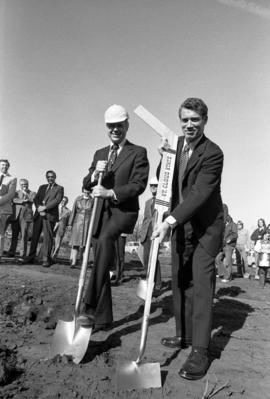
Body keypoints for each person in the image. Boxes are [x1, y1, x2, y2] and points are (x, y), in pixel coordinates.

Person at [152, 98, 224, 380]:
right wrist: (164, 158)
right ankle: (183, 335)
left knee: (202, 285)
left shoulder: (213, 153)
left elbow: (199, 194)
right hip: (183, 226)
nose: (189, 125)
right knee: (181, 282)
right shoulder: (177, 146)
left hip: (206, 228)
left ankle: (199, 350)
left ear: (205, 120)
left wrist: (170, 221)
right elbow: (165, 179)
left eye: (195, 119)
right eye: (185, 120)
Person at [78, 104, 149, 332]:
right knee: (101, 257)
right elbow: (86, 184)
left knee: (107, 241)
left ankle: (88, 307)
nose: (115, 130)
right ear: (106, 128)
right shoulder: (99, 153)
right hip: (101, 214)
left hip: (123, 212)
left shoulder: (138, 152)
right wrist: (93, 174)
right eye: (111, 126)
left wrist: (110, 193)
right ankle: (104, 318)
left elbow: (138, 185)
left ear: (127, 125)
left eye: (119, 125)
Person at [19, 170, 64, 267]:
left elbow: (57, 200)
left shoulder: (59, 188)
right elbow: (36, 199)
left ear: (55, 177)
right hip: (39, 215)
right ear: (46, 177)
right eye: (48, 177)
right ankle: (30, 257)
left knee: (48, 238)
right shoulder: (42, 187)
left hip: (49, 216)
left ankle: (46, 259)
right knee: (35, 237)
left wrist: (45, 208)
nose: (50, 178)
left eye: (52, 177)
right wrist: (40, 208)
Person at [140, 176, 162, 291]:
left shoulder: (163, 202)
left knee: (154, 259)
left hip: (156, 233)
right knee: (146, 259)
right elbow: (145, 219)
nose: (153, 187)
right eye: (151, 185)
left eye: (156, 185)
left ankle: (157, 284)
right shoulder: (148, 202)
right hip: (146, 234)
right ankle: (150, 282)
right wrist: (141, 234)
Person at [6, 178, 36, 258]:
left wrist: (25, 194)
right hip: (16, 216)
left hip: (26, 216)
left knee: (24, 235)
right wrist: (23, 200)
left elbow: (32, 200)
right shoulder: (16, 192)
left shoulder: (32, 193)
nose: (24, 186)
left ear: (28, 184)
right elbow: (13, 199)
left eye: (25, 184)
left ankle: (22, 254)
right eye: (22, 185)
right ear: (20, 185)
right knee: (14, 235)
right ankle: (11, 252)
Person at [68, 189, 93, 268]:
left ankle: (84, 263)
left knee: (86, 244)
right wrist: (70, 224)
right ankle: (74, 262)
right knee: (75, 243)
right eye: (85, 190)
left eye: (88, 190)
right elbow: (73, 212)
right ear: (83, 190)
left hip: (88, 223)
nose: (86, 191)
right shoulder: (78, 199)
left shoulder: (93, 200)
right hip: (77, 223)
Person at [0, 160, 17, 261]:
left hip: (3, 209)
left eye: (6, 165)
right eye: (2, 165)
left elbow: (10, 195)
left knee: (0, 233)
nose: (4, 167)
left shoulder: (12, 179)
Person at [216, 214, 238, 282]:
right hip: (222, 245)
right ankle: (222, 273)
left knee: (228, 261)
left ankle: (227, 277)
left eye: (225, 217)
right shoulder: (223, 225)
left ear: (228, 217)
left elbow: (235, 234)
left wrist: (229, 239)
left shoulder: (233, 224)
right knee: (217, 259)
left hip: (229, 245)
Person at [51, 196, 71, 260]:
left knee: (58, 243)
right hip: (53, 226)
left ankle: (54, 256)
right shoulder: (55, 208)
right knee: (49, 241)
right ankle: (47, 254)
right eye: (62, 201)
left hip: (61, 228)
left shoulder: (68, 211)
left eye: (65, 201)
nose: (63, 202)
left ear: (67, 202)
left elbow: (68, 222)